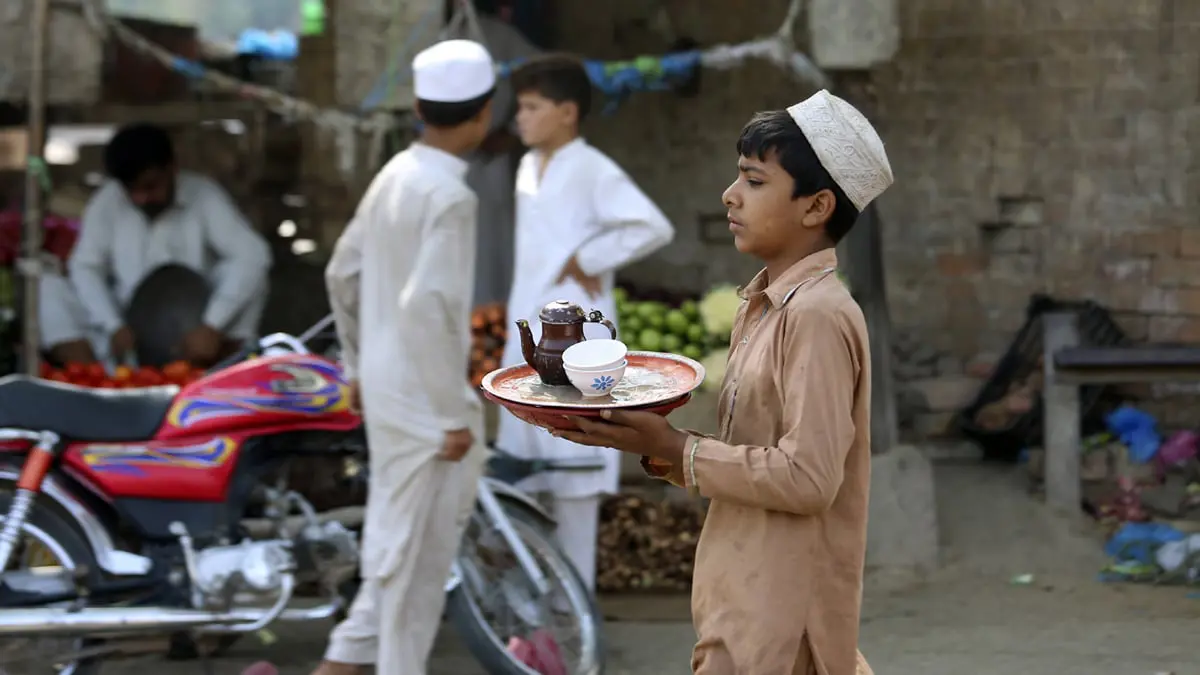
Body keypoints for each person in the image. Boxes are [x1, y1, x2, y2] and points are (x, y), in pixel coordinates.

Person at [554, 90, 892, 675]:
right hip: (740, 600)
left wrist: (679, 450)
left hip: (786, 623)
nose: (730, 196)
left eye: (755, 181)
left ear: (816, 208)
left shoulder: (817, 315)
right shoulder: (761, 306)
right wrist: (655, 444)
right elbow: (749, 454)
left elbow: (809, 479)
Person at [315, 39, 496, 675]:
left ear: (418, 107)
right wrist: (450, 412)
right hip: (426, 395)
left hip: (389, 386)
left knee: (401, 554)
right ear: (485, 115)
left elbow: (343, 273)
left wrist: (358, 367)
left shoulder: (395, 174)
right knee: (413, 566)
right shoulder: (449, 196)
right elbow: (426, 307)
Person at [496, 53, 675, 593]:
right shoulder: (527, 168)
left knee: (574, 477)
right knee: (527, 478)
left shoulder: (593, 166)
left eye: (532, 107)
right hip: (527, 325)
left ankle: (577, 609)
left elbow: (651, 225)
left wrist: (589, 259)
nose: (520, 118)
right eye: (520, 107)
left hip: (577, 331)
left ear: (567, 111)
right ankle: (537, 609)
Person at [68, 123, 272, 365]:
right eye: (130, 191)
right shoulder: (107, 201)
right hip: (129, 330)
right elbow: (84, 267)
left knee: (253, 277)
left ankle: (231, 363)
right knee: (49, 289)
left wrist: (212, 325)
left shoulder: (203, 194)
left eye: (150, 186)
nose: (140, 198)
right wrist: (113, 325)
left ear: (172, 168)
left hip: (198, 326)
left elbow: (254, 255)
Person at [446, 0, 542, 306]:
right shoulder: (429, 35)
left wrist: (512, 132)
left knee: (488, 249)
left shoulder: (498, 36)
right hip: (445, 158)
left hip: (487, 161)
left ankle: (489, 326)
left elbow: (543, 75)